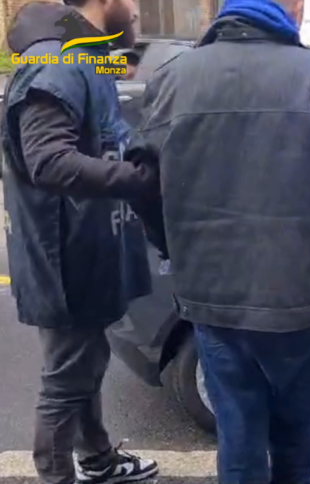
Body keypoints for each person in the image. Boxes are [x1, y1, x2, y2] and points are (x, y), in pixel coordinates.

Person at [127, 0, 310, 482]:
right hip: (305, 295)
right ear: (293, 7)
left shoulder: (173, 79)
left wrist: (174, 248)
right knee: (297, 433)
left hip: (211, 293)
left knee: (238, 434)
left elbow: (143, 184)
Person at [1, 0, 160, 483]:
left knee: (85, 366)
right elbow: (48, 162)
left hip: (86, 250)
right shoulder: (56, 64)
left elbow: (105, 124)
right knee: (66, 380)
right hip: (64, 259)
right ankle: (57, 475)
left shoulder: (83, 57)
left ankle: (98, 460)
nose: (136, 11)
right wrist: (142, 179)